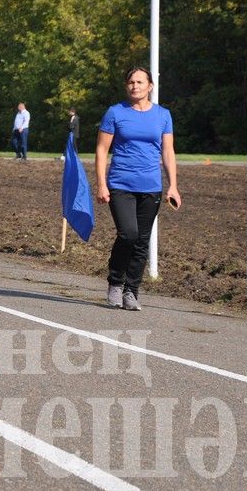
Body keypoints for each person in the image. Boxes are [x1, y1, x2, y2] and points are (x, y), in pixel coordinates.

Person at [95, 67, 181, 311]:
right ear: (127, 86)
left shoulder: (163, 115)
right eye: (131, 82)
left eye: (140, 82)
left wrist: (173, 186)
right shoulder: (115, 113)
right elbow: (102, 150)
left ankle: (131, 291)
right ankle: (115, 282)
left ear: (150, 86)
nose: (135, 86)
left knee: (142, 241)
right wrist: (101, 183)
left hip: (151, 186)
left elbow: (168, 152)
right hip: (120, 183)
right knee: (128, 234)